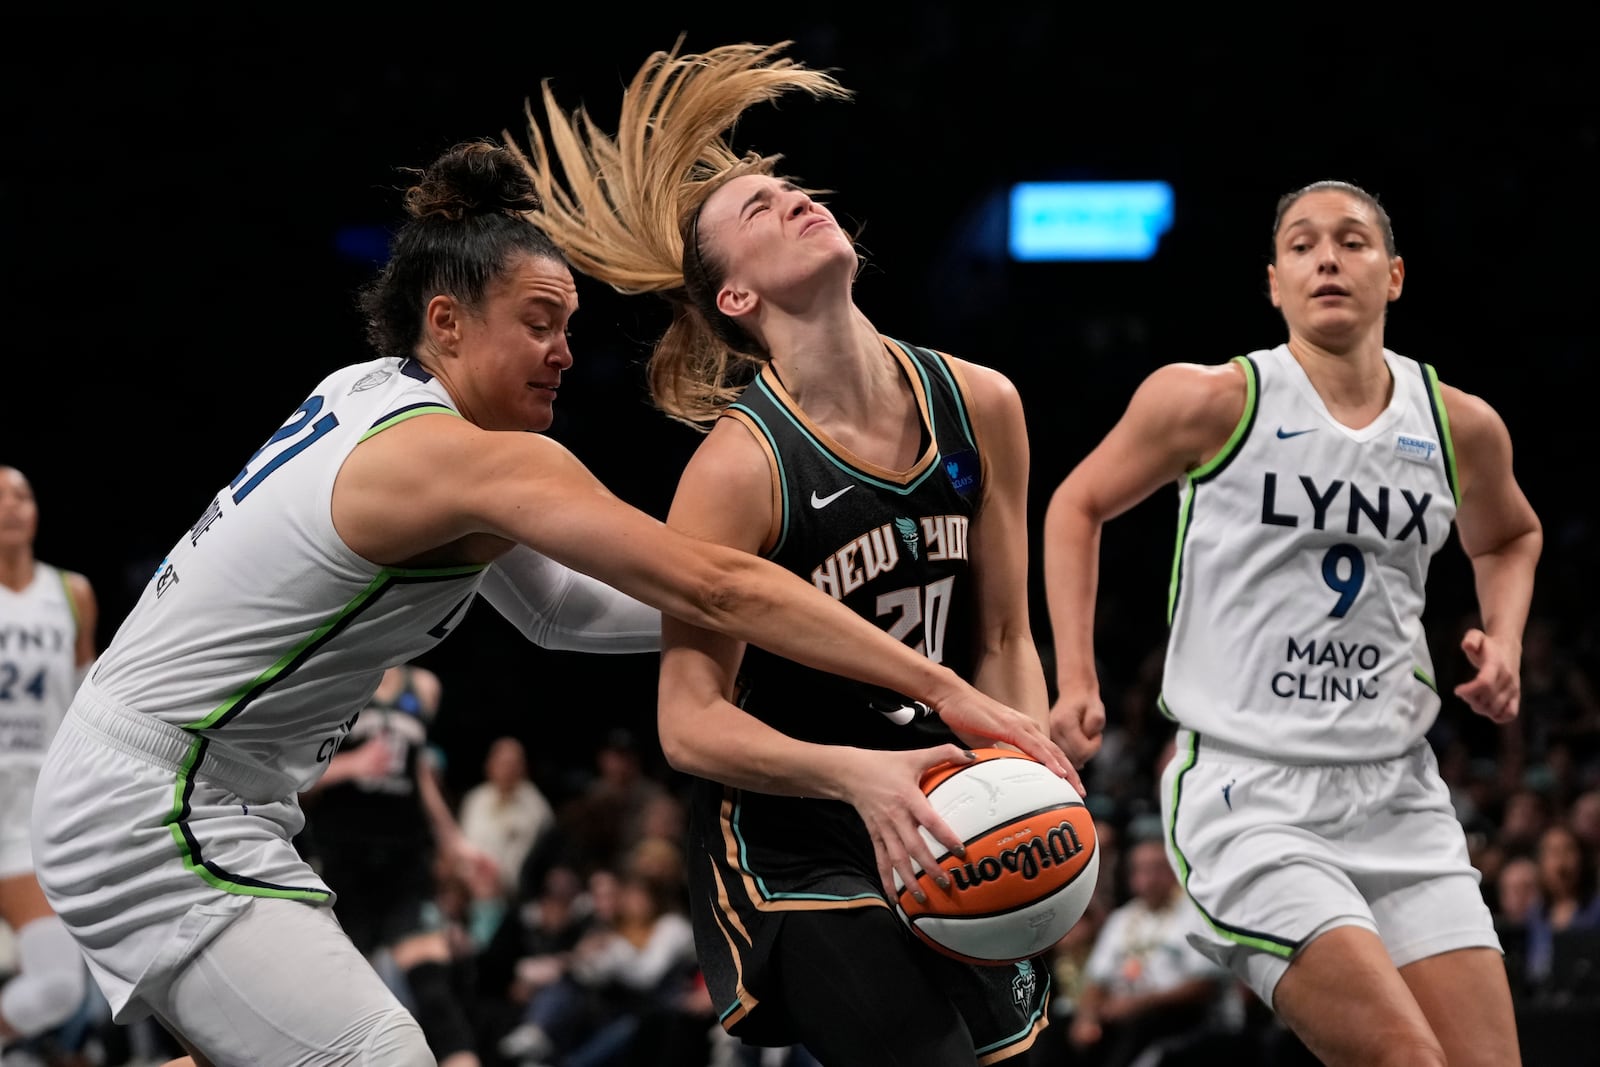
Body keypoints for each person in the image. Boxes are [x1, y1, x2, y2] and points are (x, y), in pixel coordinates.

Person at [25, 138, 1069, 1067]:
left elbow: (559, 612)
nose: (567, 351)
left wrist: (797, 620)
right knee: (375, 1050)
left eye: (568, 323)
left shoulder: (367, 393)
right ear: (446, 322)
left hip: (195, 789)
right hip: (157, 800)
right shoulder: (471, 462)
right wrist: (938, 682)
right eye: (539, 323)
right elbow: (707, 578)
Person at [514, 40, 1072, 1066]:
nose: (795, 201)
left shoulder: (982, 401)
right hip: (794, 836)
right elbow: (688, 725)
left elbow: (1000, 630)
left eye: (793, 189)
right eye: (757, 212)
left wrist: (1023, 763)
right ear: (735, 300)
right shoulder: (737, 471)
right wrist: (859, 776)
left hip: (948, 802)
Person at [1042, 180, 1543, 1067]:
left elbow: (1509, 534)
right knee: (1404, 1057)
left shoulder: (1459, 426)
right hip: (1251, 797)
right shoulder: (1214, 401)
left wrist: (1502, 638)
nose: (1326, 257)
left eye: (1352, 242)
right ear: (1273, 283)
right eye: (1303, 244)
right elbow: (1077, 503)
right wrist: (1076, 678)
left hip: (1400, 795)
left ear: (1393, 276)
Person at [298, 661, 493, 1066]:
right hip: (343, 863)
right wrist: (352, 765)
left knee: (436, 997)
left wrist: (455, 843)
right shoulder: (336, 674)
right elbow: (293, 777)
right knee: (341, 1008)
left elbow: (418, 772)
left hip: (404, 862)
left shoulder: (423, 686)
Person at [0, 466, 94, 1055]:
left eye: (22, 494)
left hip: (30, 819)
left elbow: (89, 693)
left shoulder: (71, 592)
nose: (11, 505)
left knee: (60, 987)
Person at [458, 736, 556, 901]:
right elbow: (462, 846)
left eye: (513, 764)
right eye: (502, 763)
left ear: (523, 768)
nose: (507, 770)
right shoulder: (474, 800)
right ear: (489, 766)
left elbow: (543, 860)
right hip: (471, 893)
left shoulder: (537, 807)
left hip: (516, 898)